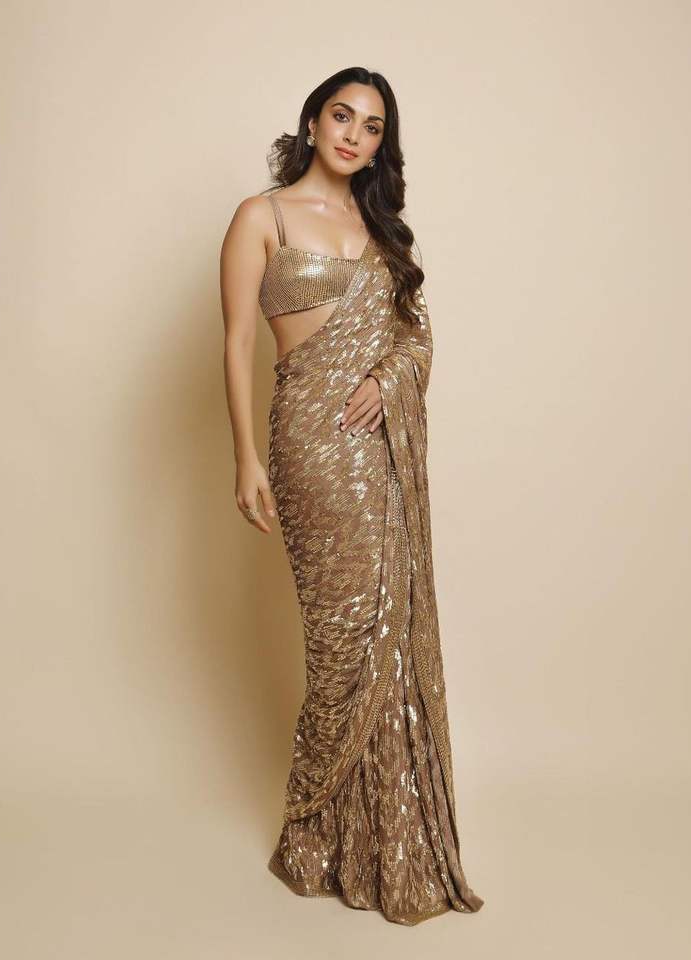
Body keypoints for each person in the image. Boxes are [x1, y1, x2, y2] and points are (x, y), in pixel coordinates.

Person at [219, 66, 484, 926]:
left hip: (379, 448)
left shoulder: (383, 231)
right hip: (308, 443)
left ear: (379, 147)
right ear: (312, 121)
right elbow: (235, 342)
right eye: (342, 116)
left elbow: (417, 336)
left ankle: (380, 840)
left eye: (372, 128)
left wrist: (386, 377)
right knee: (339, 640)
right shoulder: (261, 217)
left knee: (387, 635)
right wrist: (246, 459)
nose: (354, 136)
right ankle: (315, 832)